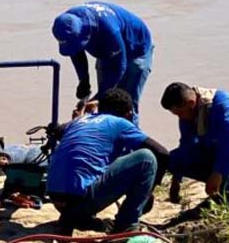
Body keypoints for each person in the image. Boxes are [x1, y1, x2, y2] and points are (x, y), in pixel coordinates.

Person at [46, 88, 169, 234]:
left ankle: (76, 217)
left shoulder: (78, 122)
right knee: (146, 158)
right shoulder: (120, 123)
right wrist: (149, 191)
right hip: (82, 201)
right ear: (128, 113)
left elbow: (59, 131)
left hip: (57, 201)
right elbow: (162, 153)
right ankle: (126, 225)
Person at [160, 82, 229, 212]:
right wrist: (176, 180)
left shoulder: (222, 103)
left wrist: (217, 173)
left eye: (180, 114)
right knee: (174, 158)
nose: (180, 118)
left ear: (191, 104)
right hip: (223, 150)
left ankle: (222, 196)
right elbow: (187, 145)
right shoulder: (189, 114)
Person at [52, 1, 154, 121]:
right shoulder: (67, 22)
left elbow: (120, 66)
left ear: (82, 33)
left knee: (125, 107)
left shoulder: (109, 29)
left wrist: (99, 96)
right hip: (106, 51)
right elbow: (75, 51)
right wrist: (84, 80)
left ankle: (130, 137)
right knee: (105, 108)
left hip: (136, 50)